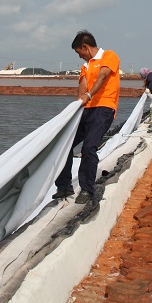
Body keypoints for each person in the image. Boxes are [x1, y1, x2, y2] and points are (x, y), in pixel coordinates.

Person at [53, 30, 121, 205]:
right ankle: (64, 187)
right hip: (86, 110)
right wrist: (75, 108)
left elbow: (103, 76)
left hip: (103, 109)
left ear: (85, 47)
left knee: (89, 147)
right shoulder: (86, 66)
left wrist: (89, 96)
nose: (80, 56)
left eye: (79, 52)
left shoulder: (109, 56)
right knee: (64, 144)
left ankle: (86, 189)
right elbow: (82, 88)